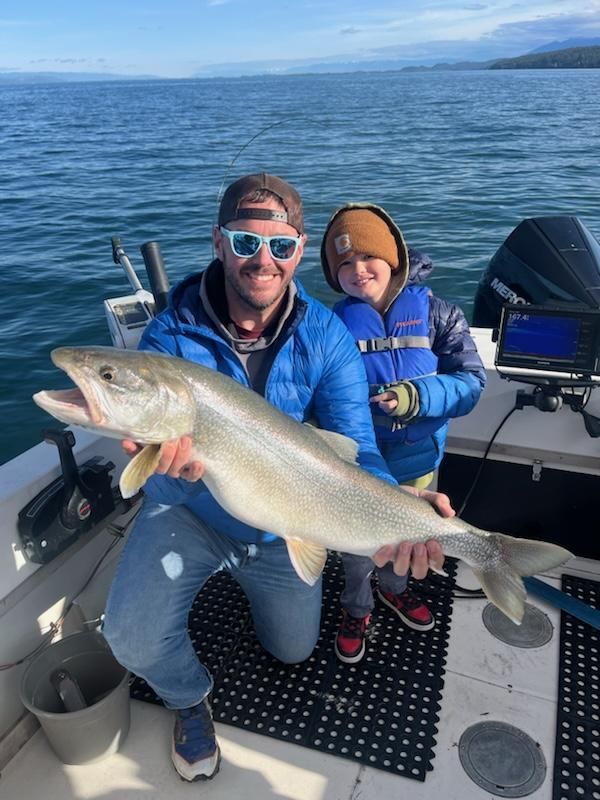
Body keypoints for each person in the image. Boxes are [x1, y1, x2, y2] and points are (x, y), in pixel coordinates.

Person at [102, 175, 452, 783]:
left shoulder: (327, 336)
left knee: (292, 650)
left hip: (282, 522)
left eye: (281, 245)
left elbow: (356, 446)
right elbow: (155, 490)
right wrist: (172, 474)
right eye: (245, 242)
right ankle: (188, 697)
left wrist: (395, 503)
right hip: (191, 512)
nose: (263, 260)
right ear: (218, 242)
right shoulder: (170, 337)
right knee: (128, 637)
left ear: (298, 250)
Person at [320, 202, 486, 664]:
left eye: (368, 257)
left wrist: (418, 396)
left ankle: (394, 589)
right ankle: (357, 606)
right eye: (345, 264)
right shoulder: (331, 326)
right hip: (358, 465)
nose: (358, 270)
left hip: (418, 462)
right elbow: (322, 393)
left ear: (393, 259)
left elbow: (472, 382)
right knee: (357, 549)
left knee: (408, 540)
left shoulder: (439, 314)